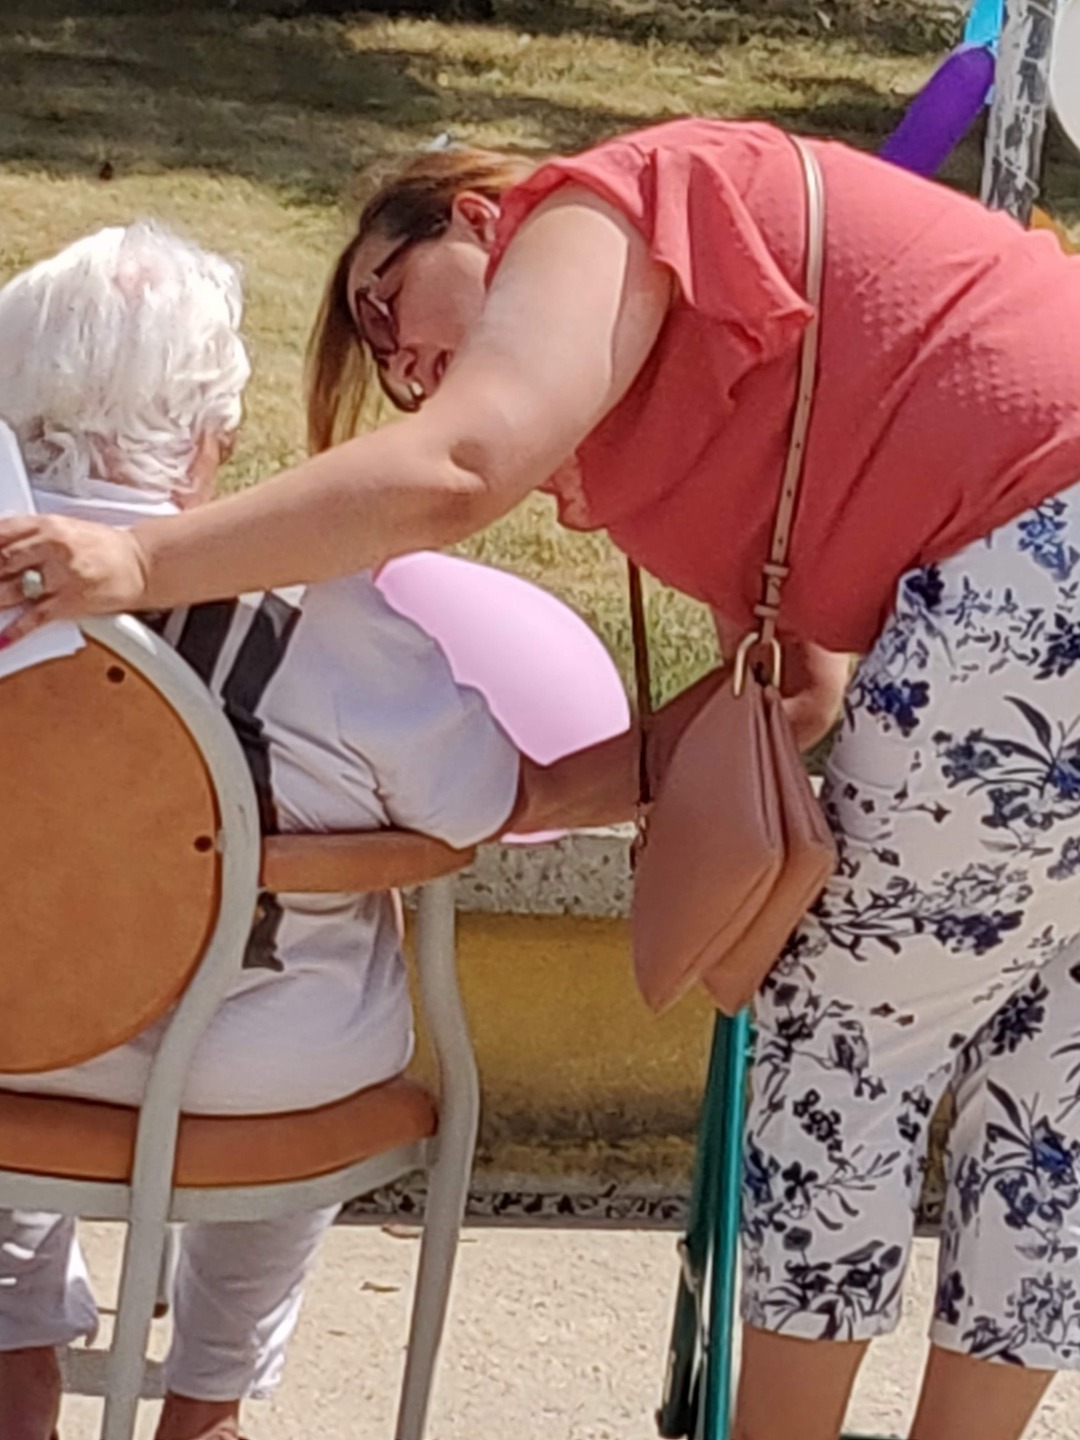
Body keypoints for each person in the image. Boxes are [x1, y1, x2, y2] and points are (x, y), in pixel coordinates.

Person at [3, 119, 1080, 1440]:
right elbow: (798, 688)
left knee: (845, 1063)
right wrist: (555, 791)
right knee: (1053, 1095)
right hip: (1029, 568)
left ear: (472, 212)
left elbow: (461, 465)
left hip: (1026, 576)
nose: (403, 363)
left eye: (386, 300)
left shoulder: (602, 206)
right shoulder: (700, 390)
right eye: (387, 366)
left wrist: (141, 567)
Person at [0, 222, 527, 1440]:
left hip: (6, 1048)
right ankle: (209, 1399)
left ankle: (16, 1359)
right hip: (244, 1069)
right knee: (315, 999)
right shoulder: (316, 606)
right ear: (212, 434)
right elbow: (476, 802)